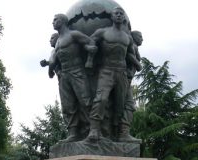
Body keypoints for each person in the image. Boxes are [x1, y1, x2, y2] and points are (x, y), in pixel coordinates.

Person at [86, 7, 141, 142]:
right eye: (116, 13)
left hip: (121, 71)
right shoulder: (102, 32)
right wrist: (90, 57)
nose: (119, 15)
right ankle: (94, 130)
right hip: (106, 70)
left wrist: (137, 64)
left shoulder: (127, 37)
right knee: (101, 99)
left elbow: (129, 54)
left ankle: (123, 133)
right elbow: (90, 41)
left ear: (124, 18)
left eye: (121, 14)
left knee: (126, 104)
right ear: (112, 17)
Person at [49, 14, 97, 142]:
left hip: (77, 71)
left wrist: (89, 59)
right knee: (68, 105)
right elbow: (54, 60)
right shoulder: (58, 40)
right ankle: (73, 133)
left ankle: (93, 130)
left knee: (85, 101)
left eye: (55, 19)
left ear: (63, 21)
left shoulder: (73, 34)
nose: (52, 22)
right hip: (64, 75)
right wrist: (51, 70)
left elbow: (91, 42)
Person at [118, 30, 143, 142]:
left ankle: (123, 133)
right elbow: (129, 56)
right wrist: (138, 64)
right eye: (140, 36)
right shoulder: (131, 46)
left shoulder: (133, 47)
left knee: (127, 105)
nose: (142, 39)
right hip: (124, 79)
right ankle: (123, 133)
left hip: (126, 79)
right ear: (133, 37)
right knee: (129, 105)